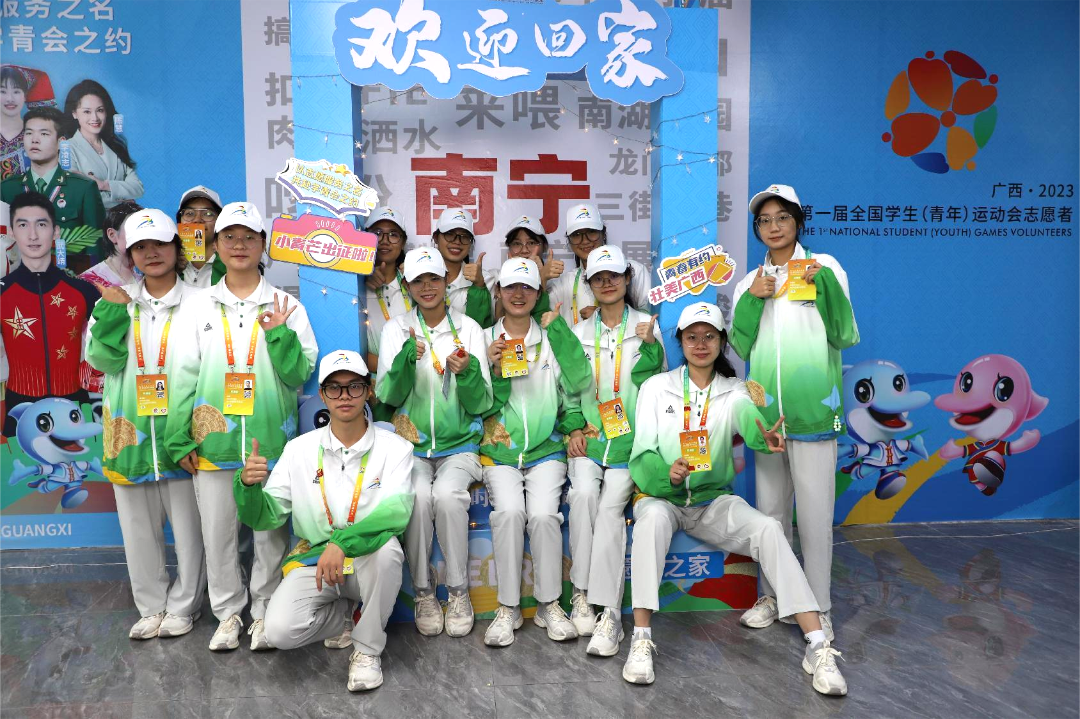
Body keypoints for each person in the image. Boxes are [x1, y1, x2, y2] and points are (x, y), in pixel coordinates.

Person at [620, 301, 848, 696]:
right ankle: (641, 639)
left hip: (711, 500)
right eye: (692, 337)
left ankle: (818, 645)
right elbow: (642, 452)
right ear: (680, 341)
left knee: (769, 528)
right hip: (661, 497)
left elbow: (749, 418)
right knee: (651, 521)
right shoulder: (657, 387)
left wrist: (763, 435)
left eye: (709, 336)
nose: (701, 344)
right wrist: (667, 473)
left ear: (722, 341)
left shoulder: (733, 390)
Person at [165, 201, 318, 652]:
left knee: (270, 533)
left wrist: (279, 334)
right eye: (229, 236)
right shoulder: (197, 307)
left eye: (249, 237)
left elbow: (300, 373)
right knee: (218, 534)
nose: (239, 245)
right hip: (213, 442)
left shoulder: (287, 305)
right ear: (215, 245)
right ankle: (228, 613)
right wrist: (178, 437)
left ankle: (265, 610)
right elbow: (182, 376)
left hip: (270, 442)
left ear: (263, 245)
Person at [235, 350, 414, 691]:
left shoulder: (396, 448)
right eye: (334, 388)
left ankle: (367, 650)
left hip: (368, 557)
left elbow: (396, 512)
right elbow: (266, 515)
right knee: (280, 631)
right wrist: (247, 487)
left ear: (368, 391)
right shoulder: (298, 450)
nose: (344, 396)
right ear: (322, 395)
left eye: (354, 386)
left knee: (388, 551)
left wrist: (341, 543)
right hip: (316, 560)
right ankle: (347, 616)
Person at [730, 184, 859, 643]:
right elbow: (739, 345)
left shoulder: (826, 268)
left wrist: (824, 287)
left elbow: (844, 334)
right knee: (770, 515)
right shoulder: (749, 282)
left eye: (782, 217)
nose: (774, 227)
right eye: (764, 220)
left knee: (816, 517)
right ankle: (773, 596)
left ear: (798, 221)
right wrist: (753, 298)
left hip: (813, 413)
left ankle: (819, 607)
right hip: (767, 419)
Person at [84, 207, 206, 640]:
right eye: (140, 246)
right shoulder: (115, 300)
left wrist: (191, 430)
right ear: (129, 253)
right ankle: (151, 606)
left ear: (177, 247)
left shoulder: (202, 303)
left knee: (190, 531)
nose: (151, 253)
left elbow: (209, 367)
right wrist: (113, 314)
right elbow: (101, 360)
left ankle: (185, 606)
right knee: (137, 529)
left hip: (181, 435)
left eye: (160, 244)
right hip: (130, 434)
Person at [376, 247, 492, 638]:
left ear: (446, 282)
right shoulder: (395, 330)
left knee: (446, 496)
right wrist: (404, 362)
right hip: (409, 447)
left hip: (460, 446)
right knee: (417, 497)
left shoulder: (469, 329)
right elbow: (387, 396)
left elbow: (482, 403)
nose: (427, 287)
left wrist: (469, 372)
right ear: (407, 286)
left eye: (434, 279)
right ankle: (424, 592)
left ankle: (458, 591)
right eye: (418, 281)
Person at [480, 258, 590, 647]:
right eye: (510, 286)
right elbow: (475, 402)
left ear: (538, 292)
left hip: (546, 451)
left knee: (544, 516)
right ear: (498, 292)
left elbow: (573, 390)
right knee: (510, 514)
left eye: (527, 287)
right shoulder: (483, 338)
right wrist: (490, 366)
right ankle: (508, 607)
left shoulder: (550, 338)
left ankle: (549, 604)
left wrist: (572, 426)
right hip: (500, 453)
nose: (518, 294)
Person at [566, 244, 665, 653]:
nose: (607, 283)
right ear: (589, 284)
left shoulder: (646, 326)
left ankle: (609, 612)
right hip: (590, 440)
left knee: (610, 509)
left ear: (627, 279)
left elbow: (658, 389)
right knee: (583, 495)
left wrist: (652, 348)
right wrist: (574, 426)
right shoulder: (578, 333)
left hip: (630, 444)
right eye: (598, 277)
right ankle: (581, 594)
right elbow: (570, 390)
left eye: (614, 275)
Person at [0, 192, 99, 436]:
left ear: (55, 232)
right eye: (23, 225)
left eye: (41, 225)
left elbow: (106, 354)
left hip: (74, 408)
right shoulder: (2, 293)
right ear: (11, 232)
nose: (33, 235)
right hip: (18, 411)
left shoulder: (84, 291)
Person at [0, 106, 105, 275]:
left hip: (70, 281)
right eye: (29, 133)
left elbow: (95, 250)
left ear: (61, 142)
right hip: (20, 281)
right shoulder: (7, 188)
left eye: (44, 134)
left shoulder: (83, 188)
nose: (34, 140)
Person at [546, 204, 651, 326]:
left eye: (591, 232)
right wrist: (542, 279)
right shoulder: (564, 283)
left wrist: (604, 317)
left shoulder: (635, 271)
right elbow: (541, 319)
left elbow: (649, 316)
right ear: (569, 240)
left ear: (603, 233)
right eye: (577, 235)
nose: (585, 240)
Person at [78, 200, 143, 394]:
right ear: (112, 235)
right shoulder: (88, 281)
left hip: (137, 377)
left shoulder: (145, 279)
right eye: (133, 228)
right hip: (98, 382)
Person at [63, 79, 144, 209]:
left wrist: (103, 185)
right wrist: (122, 199)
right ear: (74, 113)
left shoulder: (116, 146)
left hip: (124, 220)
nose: (95, 118)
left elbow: (138, 188)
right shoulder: (67, 148)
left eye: (100, 110)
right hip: (90, 221)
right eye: (87, 111)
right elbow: (76, 196)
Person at [363, 206, 410, 372]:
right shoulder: (353, 285)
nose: (384, 240)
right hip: (370, 381)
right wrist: (362, 276)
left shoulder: (414, 283)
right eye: (377, 233)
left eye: (393, 234)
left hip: (415, 378)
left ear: (403, 242)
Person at [430, 207, 495, 327]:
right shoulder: (419, 276)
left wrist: (479, 286)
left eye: (464, 236)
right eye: (450, 234)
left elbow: (486, 327)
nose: (457, 241)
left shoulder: (486, 280)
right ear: (436, 238)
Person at [496, 215, 563, 323]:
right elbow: (500, 321)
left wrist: (541, 278)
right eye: (517, 244)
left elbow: (540, 326)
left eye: (531, 243)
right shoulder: (497, 277)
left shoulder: (558, 283)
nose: (524, 250)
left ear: (544, 247)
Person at [175, 185, 226, 288]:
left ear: (220, 222)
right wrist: (171, 273)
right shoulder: (167, 266)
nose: (197, 219)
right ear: (179, 222)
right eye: (189, 213)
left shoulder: (231, 265)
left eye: (207, 213)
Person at [0, 66, 29, 181]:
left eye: (16, 91)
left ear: (25, 96)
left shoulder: (36, 135)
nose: (10, 99)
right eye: (2, 91)